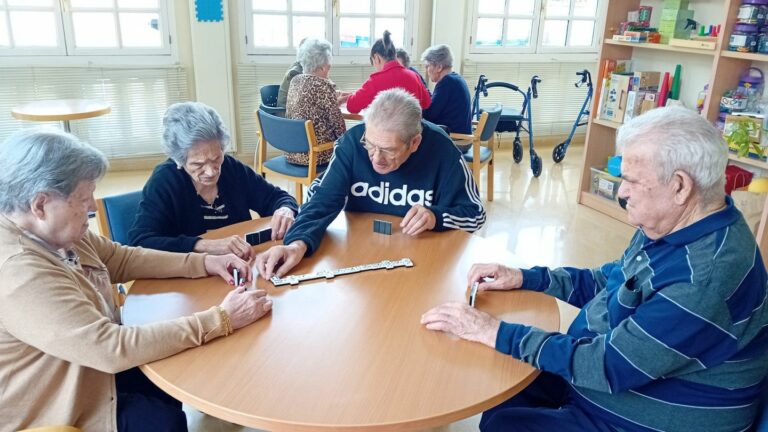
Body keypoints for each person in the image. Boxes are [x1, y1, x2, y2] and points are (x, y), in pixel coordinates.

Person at [421, 106, 768, 432]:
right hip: (622, 374)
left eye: (632, 180)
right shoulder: (674, 225)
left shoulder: (703, 276)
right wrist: (527, 277)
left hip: (648, 414)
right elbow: (610, 281)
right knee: (506, 383)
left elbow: (607, 366)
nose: (622, 191)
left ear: (679, 186)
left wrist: (493, 331)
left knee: (505, 421)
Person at [0, 128, 273, 431]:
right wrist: (220, 319)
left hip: (88, 369)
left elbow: (121, 258)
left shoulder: (53, 232)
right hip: (61, 403)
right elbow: (109, 349)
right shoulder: (18, 272)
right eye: (84, 198)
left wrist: (205, 262)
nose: (93, 207)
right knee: (163, 420)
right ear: (40, 205)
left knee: (170, 371)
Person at [255, 89, 485, 280]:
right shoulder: (353, 143)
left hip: (420, 266)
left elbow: (475, 215)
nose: (376, 158)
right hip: (356, 257)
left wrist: (436, 216)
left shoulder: (444, 152)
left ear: (415, 142)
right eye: (371, 145)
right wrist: (296, 244)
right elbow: (321, 200)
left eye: (388, 150)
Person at [128, 102, 298, 259]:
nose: (210, 171)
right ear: (179, 159)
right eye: (198, 164)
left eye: (216, 158)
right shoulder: (165, 180)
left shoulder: (231, 168)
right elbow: (141, 241)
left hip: (241, 266)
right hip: (189, 279)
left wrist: (285, 209)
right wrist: (204, 245)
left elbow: (276, 197)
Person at [285, 38, 345, 166]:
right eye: (329, 66)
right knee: (353, 143)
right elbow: (339, 127)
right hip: (316, 154)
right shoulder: (323, 85)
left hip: (292, 152)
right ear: (323, 67)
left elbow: (310, 108)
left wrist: (334, 103)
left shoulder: (295, 80)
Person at [340, 31, 431, 114]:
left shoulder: (375, 81)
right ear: (395, 55)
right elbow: (426, 103)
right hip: (412, 130)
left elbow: (352, 107)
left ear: (376, 58)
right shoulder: (414, 76)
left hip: (386, 131)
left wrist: (352, 96)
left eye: (373, 61)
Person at [420, 44, 471, 136]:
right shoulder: (456, 78)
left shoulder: (446, 82)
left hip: (456, 139)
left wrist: (415, 109)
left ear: (439, 67)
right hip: (461, 135)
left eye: (428, 66)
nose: (427, 70)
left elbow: (430, 115)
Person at [277, 39, 306, 108]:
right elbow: (301, 102)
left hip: (289, 111)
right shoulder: (296, 72)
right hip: (285, 114)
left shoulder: (297, 64)